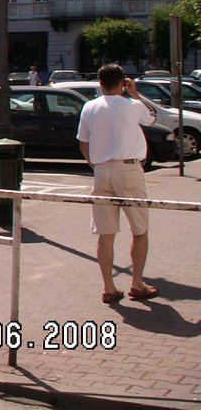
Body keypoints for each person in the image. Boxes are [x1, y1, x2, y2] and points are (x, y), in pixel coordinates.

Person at [76, 63, 159, 305]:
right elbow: (153, 117)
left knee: (105, 233)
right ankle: (137, 283)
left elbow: (84, 142)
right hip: (129, 169)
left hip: (102, 171)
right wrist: (135, 93)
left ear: (100, 83)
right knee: (140, 229)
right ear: (122, 82)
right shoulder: (133, 106)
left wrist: (95, 164)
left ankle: (109, 287)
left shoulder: (89, 107)